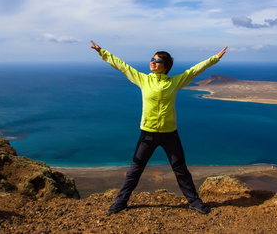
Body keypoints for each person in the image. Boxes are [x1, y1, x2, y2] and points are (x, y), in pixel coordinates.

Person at [90, 40, 227, 214]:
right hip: (148, 133)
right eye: (152, 59)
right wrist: (102, 52)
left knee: (181, 170)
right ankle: (120, 202)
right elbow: (122, 66)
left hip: (170, 134)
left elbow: (194, 70)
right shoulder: (143, 80)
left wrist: (214, 58)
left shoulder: (174, 82)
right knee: (135, 169)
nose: (153, 62)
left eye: (158, 61)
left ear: (166, 66)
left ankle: (194, 201)